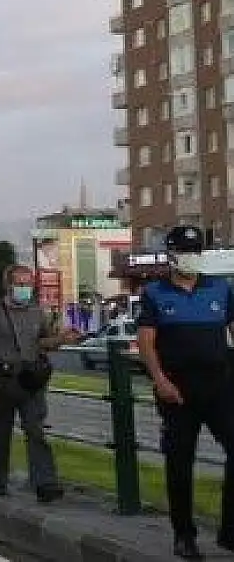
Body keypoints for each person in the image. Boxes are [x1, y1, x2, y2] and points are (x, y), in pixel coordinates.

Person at [135, 224, 233, 560]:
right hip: (177, 388)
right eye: (184, 251)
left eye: (195, 252)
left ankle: (231, 531)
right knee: (179, 463)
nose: (190, 258)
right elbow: (146, 342)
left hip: (219, 386)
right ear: (171, 255)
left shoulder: (221, 289)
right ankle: (184, 535)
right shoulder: (154, 293)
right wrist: (160, 380)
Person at [0, 264, 77, 502]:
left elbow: (44, 342)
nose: (24, 288)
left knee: (36, 430)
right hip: (1, 380)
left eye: (28, 284)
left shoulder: (38, 313)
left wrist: (63, 338)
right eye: (20, 283)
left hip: (30, 380)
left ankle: (45, 483)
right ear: (8, 285)